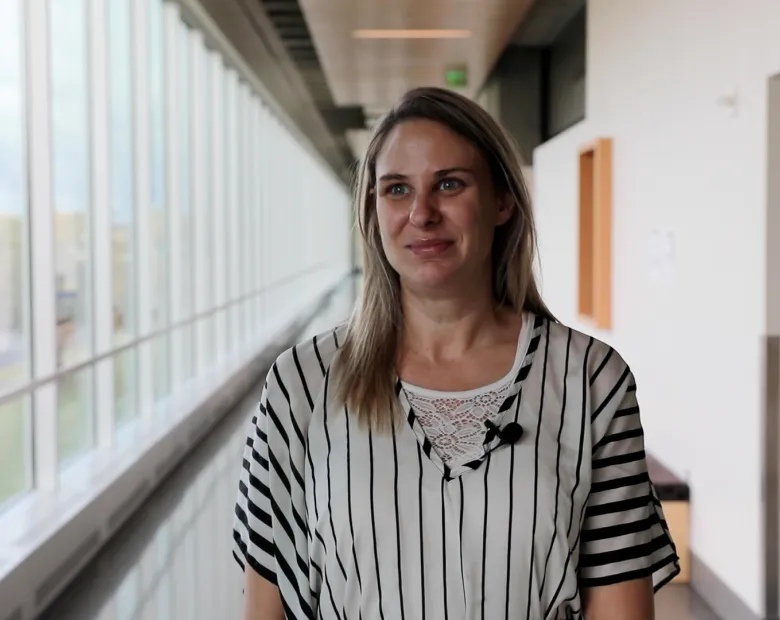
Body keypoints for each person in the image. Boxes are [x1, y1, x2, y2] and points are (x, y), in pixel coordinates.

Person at [232, 86, 680, 620]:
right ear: (373, 214)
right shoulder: (301, 386)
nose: (422, 213)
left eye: (449, 184)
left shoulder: (590, 381)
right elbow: (266, 606)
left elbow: (620, 606)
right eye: (396, 189)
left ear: (501, 201)